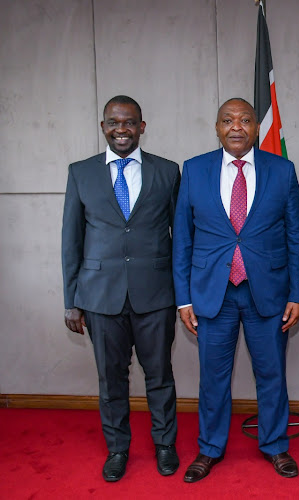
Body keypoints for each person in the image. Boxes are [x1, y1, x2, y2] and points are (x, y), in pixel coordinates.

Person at [172, 98, 299, 482]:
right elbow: (182, 238)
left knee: (272, 374)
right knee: (212, 377)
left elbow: (297, 235)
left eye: (245, 120)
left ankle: (276, 445)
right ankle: (209, 448)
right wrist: (184, 298)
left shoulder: (282, 170)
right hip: (213, 294)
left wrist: (296, 293)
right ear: (216, 128)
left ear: (256, 128)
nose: (237, 127)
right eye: (228, 120)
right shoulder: (195, 170)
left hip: (269, 292)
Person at [61, 95, 181, 482]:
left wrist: (185, 295)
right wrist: (72, 301)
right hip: (99, 296)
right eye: (114, 122)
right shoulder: (81, 173)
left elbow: (181, 238)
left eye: (129, 122)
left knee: (159, 374)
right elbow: (71, 240)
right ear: (103, 127)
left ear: (142, 127)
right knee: (110, 379)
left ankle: (165, 444)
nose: (121, 129)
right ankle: (117, 449)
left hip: (156, 294)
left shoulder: (167, 171)